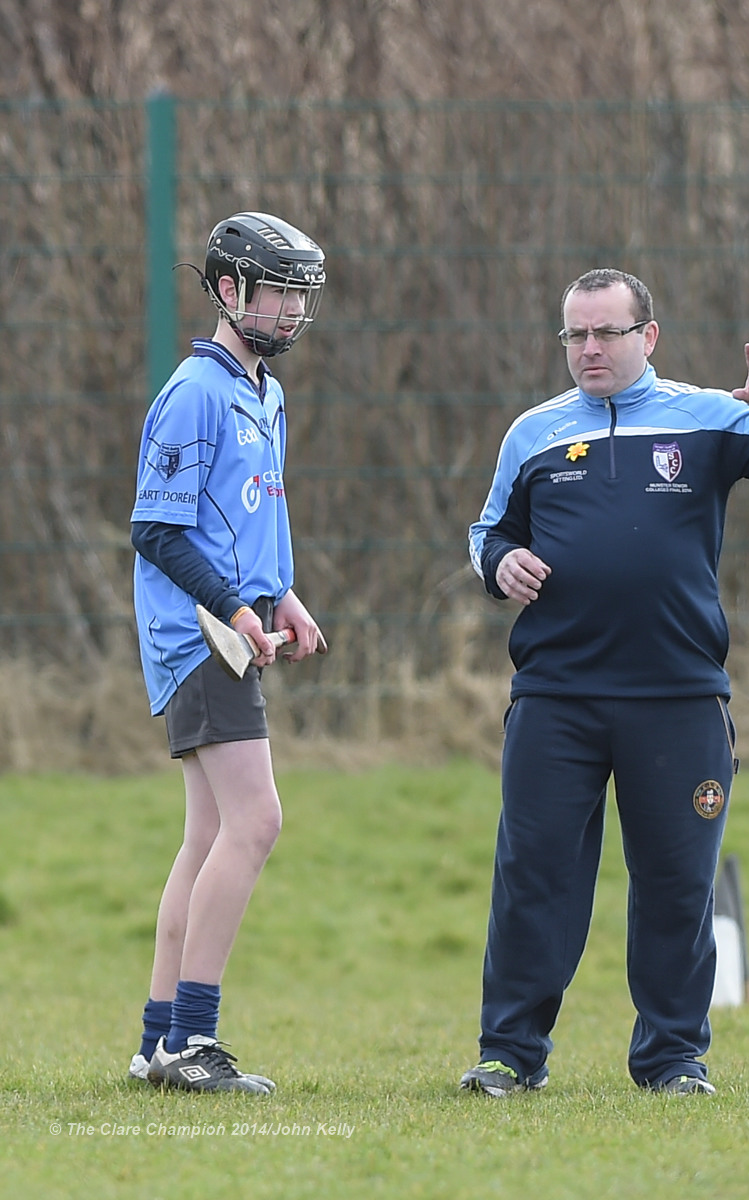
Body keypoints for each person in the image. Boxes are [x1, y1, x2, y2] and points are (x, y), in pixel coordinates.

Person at [462, 268, 749, 1097]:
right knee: (535, 877)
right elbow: (487, 532)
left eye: (607, 333)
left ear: (649, 337)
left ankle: (672, 1060)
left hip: (678, 697)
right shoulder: (532, 434)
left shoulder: (708, 418)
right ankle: (508, 1056)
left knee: (676, 884)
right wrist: (500, 564)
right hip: (556, 696)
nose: (590, 349)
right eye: (576, 335)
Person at [127, 212, 328, 1093]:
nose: (291, 310)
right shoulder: (196, 391)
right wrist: (235, 613)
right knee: (256, 822)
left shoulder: (266, 393)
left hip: (232, 630)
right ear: (228, 290)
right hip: (199, 639)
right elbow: (157, 530)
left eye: (298, 295)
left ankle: (155, 1040)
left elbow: (254, 520)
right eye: (279, 291)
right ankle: (190, 1043)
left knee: (208, 833)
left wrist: (283, 596)